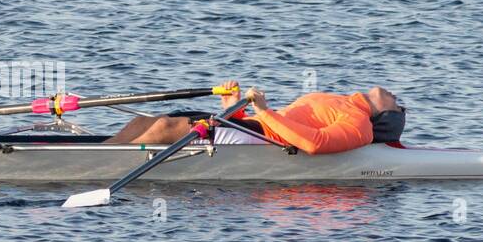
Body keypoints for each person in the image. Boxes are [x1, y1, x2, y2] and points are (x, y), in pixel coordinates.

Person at [105, 82, 406, 154]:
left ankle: (101, 166)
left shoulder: (360, 125)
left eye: (396, 102)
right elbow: (272, 120)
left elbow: (316, 144)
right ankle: (82, 155)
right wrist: (234, 107)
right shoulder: (342, 101)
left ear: (385, 114)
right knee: (143, 123)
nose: (395, 95)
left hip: (262, 140)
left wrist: (262, 111)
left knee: (164, 128)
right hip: (253, 127)